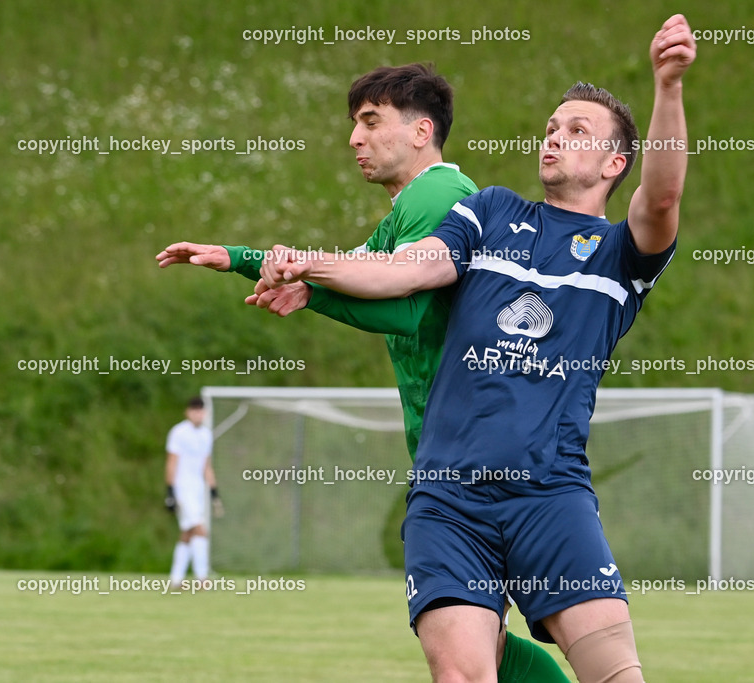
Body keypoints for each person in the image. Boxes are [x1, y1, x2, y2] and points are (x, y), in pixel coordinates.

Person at [256, 15, 696, 682]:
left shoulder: (617, 256)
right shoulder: (490, 212)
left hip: (550, 494)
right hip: (448, 498)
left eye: (577, 130)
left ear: (614, 163)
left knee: (617, 675)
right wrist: (303, 265)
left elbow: (661, 196)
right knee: (464, 674)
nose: (555, 137)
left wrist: (668, 86)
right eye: (551, 127)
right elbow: (405, 270)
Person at [156, 64, 570, 681]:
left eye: (371, 122)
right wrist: (246, 261)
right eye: (354, 124)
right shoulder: (410, 209)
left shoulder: (437, 196)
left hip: (472, 460)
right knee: (476, 644)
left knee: (473, 648)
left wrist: (302, 278)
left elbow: (403, 305)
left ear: (421, 131)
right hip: (462, 453)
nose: (355, 138)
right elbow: (359, 273)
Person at [165, 395, 221, 588]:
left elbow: (206, 466)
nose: (198, 414)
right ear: (188, 412)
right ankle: (202, 577)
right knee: (200, 529)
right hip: (182, 488)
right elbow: (172, 462)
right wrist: (170, 490)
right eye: (195, 410)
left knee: (187, 533)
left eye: (201, 410)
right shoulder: (178, 433)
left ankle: (176, 579)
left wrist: (214, 492)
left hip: (198, 490)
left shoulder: (206, 435)